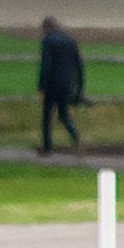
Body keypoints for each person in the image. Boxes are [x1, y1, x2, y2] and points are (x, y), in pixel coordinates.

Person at [36, 15, 87, 154]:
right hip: (67, 84)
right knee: (63, 115)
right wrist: (80, 87)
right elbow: (79, 65)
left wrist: (41, 85)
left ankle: (47, 148)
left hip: (52, 85)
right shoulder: (71, 40)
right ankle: (75, 135)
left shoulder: (48, 41)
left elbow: (46, 65)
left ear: (46, 27)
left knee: (47, 117)